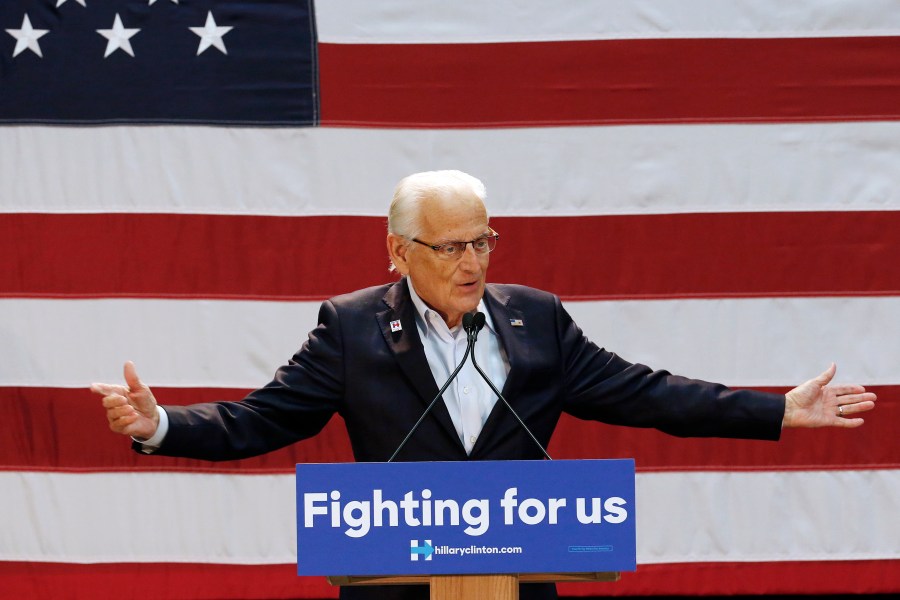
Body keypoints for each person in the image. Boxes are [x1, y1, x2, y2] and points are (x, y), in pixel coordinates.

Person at [92, 170, 876, 600]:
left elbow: (649, 394)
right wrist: (161, 424)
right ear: (398, 252)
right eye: (450, 247)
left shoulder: (535, 321)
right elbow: (260, 421)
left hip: (518, 575)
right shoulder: (351, 326)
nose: (473, 264)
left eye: (484, 241)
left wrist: (777, 412)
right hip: (396, 584)